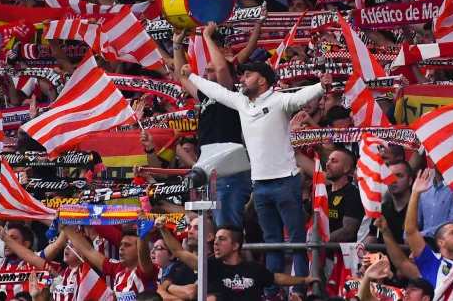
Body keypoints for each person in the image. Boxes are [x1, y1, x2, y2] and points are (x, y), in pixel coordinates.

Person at [180, 61, 332, 293]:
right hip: (259, 185)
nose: (242, 79)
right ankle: (270, 294)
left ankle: (301, 293)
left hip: (286, 181)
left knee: (297, 242)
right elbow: (217, 92)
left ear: (262, 80)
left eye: (248, 75)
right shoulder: (241, 102)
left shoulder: (278, 100)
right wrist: (192, 76)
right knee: (272, 243)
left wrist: (321, 87)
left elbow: (299, 98)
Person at [173, 23, 251, 228]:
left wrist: (207, 36)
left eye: (209, 70)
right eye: (205, 70)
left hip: (229, 171)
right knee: (218, 229)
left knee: (227, 229)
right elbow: (180, 76)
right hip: (211, 170)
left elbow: (221, 67)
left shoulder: (230, 94)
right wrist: (176, 45)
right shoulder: (205, 95)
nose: (207, 73)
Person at [154, 217, 319, 299]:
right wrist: (163, 229)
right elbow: (179, 252)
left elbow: (276, 278)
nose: (216, 243)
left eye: (222, 239)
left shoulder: (254, 268)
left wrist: (303, 281)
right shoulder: (210, 265)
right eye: (216, 238)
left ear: (235, 246)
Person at [61, 225, 158, 296]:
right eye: (121, 244)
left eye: (127, 245)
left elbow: (144, 257)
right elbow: (88, 250)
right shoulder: (117, 269)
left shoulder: (146, 270)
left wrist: (142, 235)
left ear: (139, 249)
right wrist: (64, 226)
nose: (121, 248)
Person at [325, 147, 364, 242]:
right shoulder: (323, 191)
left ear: (346, 168)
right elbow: (304, 216)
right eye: (328, 160)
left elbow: (348, 232)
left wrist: (320, 242)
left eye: (334, 161)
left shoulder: (353, 195)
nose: (327, 164)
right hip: (318, 252)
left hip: (339, 254)